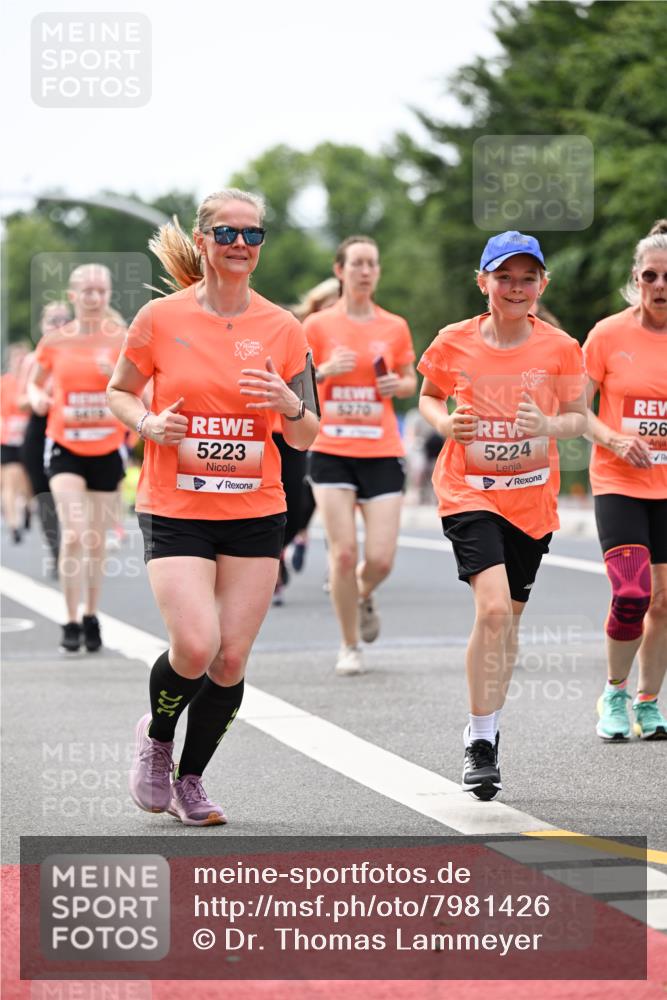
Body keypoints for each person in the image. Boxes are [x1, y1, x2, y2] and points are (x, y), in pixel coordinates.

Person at [107, 187, 319, 826]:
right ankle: (158, 740)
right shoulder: (160, 320)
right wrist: (147, 422)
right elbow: (118, 391)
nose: (239, 245)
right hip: (176, 503)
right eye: (226, 233)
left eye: (252, 235)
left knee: (230, 659)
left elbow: (308, 433)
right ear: (202, 241)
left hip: (256, 507)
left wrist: (287, 403)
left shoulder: (283, 328)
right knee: (196, 646)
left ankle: (191, 779)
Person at [418, 231, 587, 800]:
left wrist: (548, 426)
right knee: (491, 612)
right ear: (482, 282)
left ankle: (485, 724)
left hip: (531, 501)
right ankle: (480, 741)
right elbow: (426, 395)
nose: (516, 288)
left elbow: (578, 418)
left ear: (543, 283)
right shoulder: (454, 340)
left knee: (507, 624)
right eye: (504, 277)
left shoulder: (561, 348)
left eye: (527, 277)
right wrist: (444, 424)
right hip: (469, 492)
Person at [304, 236, 417, 676]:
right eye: (357, 263)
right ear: (340, 270)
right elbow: (293, 383)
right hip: (331, 448)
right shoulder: (315, 326)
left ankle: (357, 592)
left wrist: (399, 387)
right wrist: (322, 372)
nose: (365, 271)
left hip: (382, 449)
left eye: (372, 263)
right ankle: (350, 645)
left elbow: (409, 380)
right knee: (344, 554)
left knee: (382, 558)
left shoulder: (394, 326)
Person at [583, 227, 667, 741]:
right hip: (619, 482)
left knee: (664, 601)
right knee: (633, 593)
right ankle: (614, 691)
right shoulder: (608, 335)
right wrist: (614, 439)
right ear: (636, 281)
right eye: (651, 276)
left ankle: (650, 701)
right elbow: (575, 410)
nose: (660, 285)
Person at [28, 264, 127, 653]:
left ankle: (90, 613)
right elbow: (35, 385)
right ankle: (69, 619)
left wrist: (114, 377)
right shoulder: (55, 342)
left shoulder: (122, 340)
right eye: (86, 291)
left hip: (106, 447)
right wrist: (38, 399)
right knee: (74, 533)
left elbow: (146, 395)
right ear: (73, 296)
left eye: (100, 291)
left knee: (97, 540)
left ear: (108, 294)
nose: (93, 297)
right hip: (65, 445)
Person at [21, 301, 71, 571]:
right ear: (42, 325)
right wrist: (39, 397)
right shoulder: (33, 359)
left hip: (71, 430)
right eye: (52, 320)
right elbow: (19, 400)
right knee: (45, 495)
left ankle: (78, 546)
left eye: (63, 320)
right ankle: (56, 552)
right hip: (40, 428)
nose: (58, 326)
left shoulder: (78, 355)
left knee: (71, 492)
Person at [1, 342, 32, 543]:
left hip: (29, 441)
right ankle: (14, 525)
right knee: (10, 481)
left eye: (23, 359)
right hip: (8, 440)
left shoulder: (33, 385)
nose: (19, 363)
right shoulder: (3, 383)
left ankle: (28, 507)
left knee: (26, 484)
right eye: (16, 359)